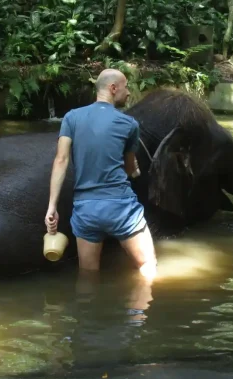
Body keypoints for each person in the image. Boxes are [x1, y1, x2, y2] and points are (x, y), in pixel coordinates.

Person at [44, 69, 157, 280]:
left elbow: (61, 160)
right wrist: (136, 171)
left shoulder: (71, 117)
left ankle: (88, 309)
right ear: (113, 89)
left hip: (86, 209)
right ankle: (137, 313)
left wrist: (52, 206)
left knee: (88, 275)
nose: (129, 93)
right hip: (121, 207)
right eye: (126, 87)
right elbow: (130, 167)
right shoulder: (129, 124)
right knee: (148, 266)